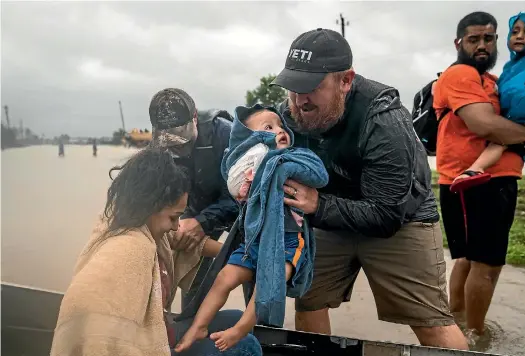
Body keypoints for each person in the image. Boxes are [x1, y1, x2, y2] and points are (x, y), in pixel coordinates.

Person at [269, 28, 468, 349]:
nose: (298, 100)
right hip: (328, 211)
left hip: (400, 219)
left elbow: (387, 215)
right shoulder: (288, 114)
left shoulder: (385, 121)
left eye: (311, 88)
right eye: (292, 87)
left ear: (345, 81)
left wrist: (318, 206)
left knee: (430, 320)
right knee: (308, 299)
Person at [49, 148, 262, 356]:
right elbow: (91, 323)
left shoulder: (137, 225)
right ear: (151, 206)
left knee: (236, 319)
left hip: (160, 333)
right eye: (173, 217)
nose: (176, 226)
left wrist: (248, 259)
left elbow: (190, 242)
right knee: (245, 345)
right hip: (147, 348)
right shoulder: (128, 250)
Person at [176, 104, 328, 353]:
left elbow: (320, 175)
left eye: (280, 125)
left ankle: (241, 328)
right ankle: (199, 326)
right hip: (254, 243)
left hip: (288, 242)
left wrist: (281, 161)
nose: (279, 130)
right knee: (224, 277)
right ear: (251, 140)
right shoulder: (247, 167)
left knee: (268, 283)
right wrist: (260, 159)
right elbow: (234, 184)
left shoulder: (295, 156)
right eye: (268, 128)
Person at [432, 11, 525, 342]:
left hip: (484, 180)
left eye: (488, 38)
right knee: (486, 263)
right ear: (459, 43)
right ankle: (476, 335)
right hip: (475, 182)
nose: (482, 45)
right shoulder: (461, 75)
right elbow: (486, 125)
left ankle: (456, 325)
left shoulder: (493, 81)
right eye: (473, 39)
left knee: (471, 261)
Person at [149, 88, 239, 308]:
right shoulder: (157, 149)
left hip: (235, 205)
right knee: (193, 280)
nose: (178, 148)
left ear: (195, 117)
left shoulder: (227, 136)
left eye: (182, 141)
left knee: (249, 270)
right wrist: (180, 222)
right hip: (193, 209)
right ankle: (190, 320)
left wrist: (202, 222)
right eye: (171, 143)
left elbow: (240, 199)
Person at [451, 10, 525, 190]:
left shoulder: (496, 77)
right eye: (515, 32)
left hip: (503, 177)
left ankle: (475, 168)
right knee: (500, 142)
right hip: (479, 182)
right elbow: (487, 126)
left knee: (501, 142)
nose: (520, 37)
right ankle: (474, 169)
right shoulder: (510, 69)